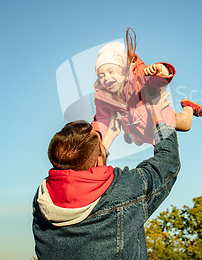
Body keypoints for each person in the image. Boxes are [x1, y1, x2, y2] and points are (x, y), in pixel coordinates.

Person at [32, 91, 180, 259]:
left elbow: (76, 173)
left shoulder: (41, 199)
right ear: (98, 158)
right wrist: (158, 118)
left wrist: (104, 143)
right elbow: (167, 162)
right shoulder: (123, 191)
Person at [93, 28, 202, 151]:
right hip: (138, 127)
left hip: (160, 116)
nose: (106, 77)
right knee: (137, 139)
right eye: (101, 75)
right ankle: (130, 133)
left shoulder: (140, 80)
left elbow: (156, 81)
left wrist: (162, 71)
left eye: (111, 71)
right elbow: (101, 120)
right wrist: (94, 134)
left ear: (124, 71)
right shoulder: (104, 99)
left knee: (186, 124)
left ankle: (188, 107)